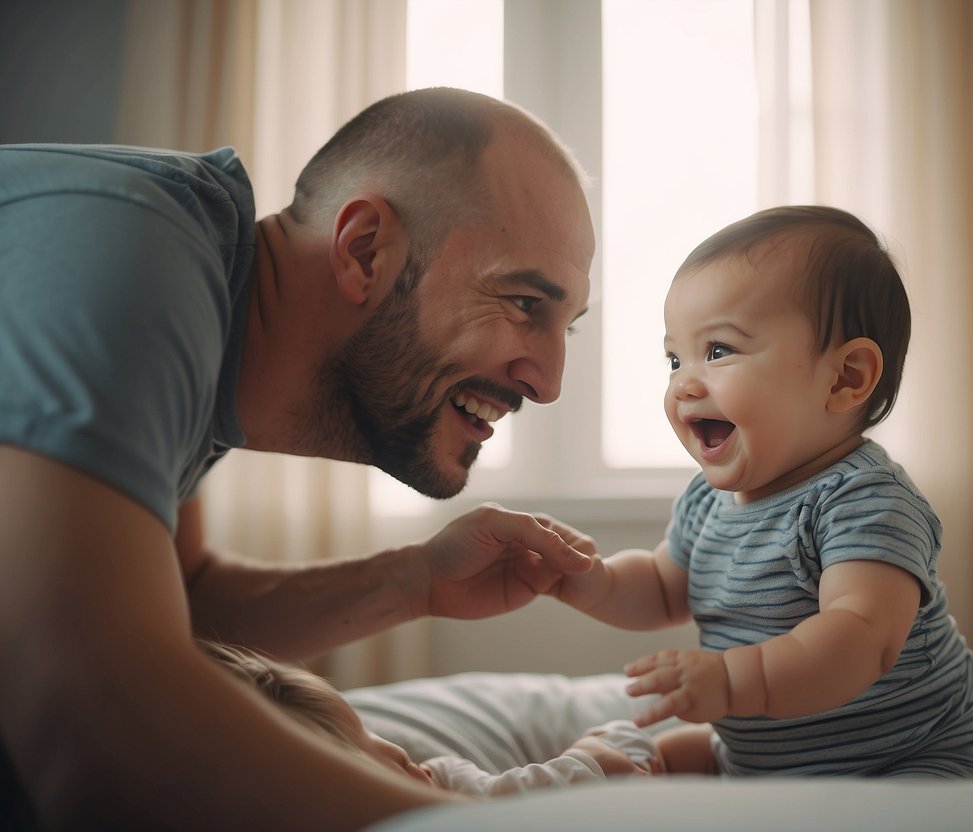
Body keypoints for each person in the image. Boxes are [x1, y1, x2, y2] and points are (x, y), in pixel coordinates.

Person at [0, 86, 601, 830]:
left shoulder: (199, 319)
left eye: (564, 328)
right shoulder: (131, 257)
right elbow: (88, 721)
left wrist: (412, 582)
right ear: (363, 250)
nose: (547, 383)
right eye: (522, 304)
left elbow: (179, 607)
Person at [552, 206, 973, 778]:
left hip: (905, 763)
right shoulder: (707, 502)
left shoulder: (864, 501)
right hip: (763, 761)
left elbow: (861, 638)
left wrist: (733, 681)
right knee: (657, 757)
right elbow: (664, 588)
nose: (685, 382)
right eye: (675, 358)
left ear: (844, 378)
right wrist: (584, 578)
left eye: (718, 351)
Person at [199, 639, 662, 796]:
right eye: (360, 746)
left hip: (637, 755)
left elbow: (507, 790)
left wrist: (602, 748)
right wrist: (596, 752)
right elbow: (512, 805)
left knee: (687, 746)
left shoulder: (438, 774)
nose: (393, 747)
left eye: (368, 729)